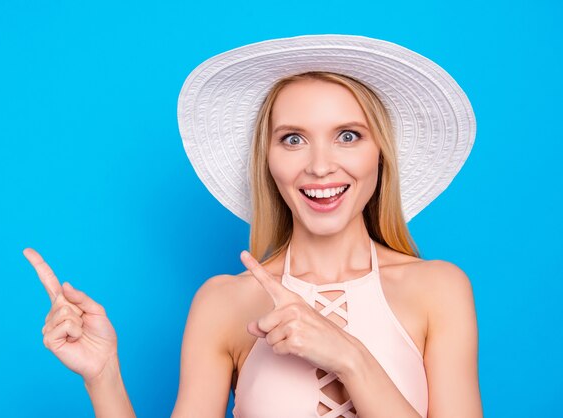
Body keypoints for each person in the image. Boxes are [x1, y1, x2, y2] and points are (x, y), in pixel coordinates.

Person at [25, 34, 483, 418]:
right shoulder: (224, 302)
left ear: (379, 153)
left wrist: (349, 357)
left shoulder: (438, 290)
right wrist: (103, 375)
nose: (320, 166)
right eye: (293, 139)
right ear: (268, 161)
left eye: (348, 136)